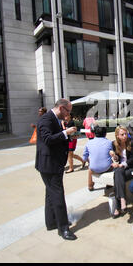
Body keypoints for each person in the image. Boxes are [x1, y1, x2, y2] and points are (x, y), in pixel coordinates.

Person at [35, 99, 77, 241]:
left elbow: (55, 139)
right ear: (61, 108)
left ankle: (52, 222)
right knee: (58, 195)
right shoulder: (46, 119)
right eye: (68, 111)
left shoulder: (54, 119)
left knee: (50, 195)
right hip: (49, 165)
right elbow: (48, 139)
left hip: (53, 163)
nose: (68, 114)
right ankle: (63, 228)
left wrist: (66, 134)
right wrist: (65, 133)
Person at [110, 126, 133, 218]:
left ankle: (118, 206)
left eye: (125, 134)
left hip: (132, 167)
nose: (125, 136)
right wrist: (114, 157)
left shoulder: (131, 142)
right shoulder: (114, 144)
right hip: (121, 169)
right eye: (122, 134)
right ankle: (122, 200)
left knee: (117, 174)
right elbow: (117, 159)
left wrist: (123, 165)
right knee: (118, 173)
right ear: (117, 136)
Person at [82, 126, 114, 191]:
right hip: (106, 167)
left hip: (94, 167)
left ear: (94, 133)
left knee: (90, 169)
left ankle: (90, 186)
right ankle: (109, 184)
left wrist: (87, 162)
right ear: (105, 133)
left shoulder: (89, 142)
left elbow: (84, 156)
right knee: (112, 165)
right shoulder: (109, 142)